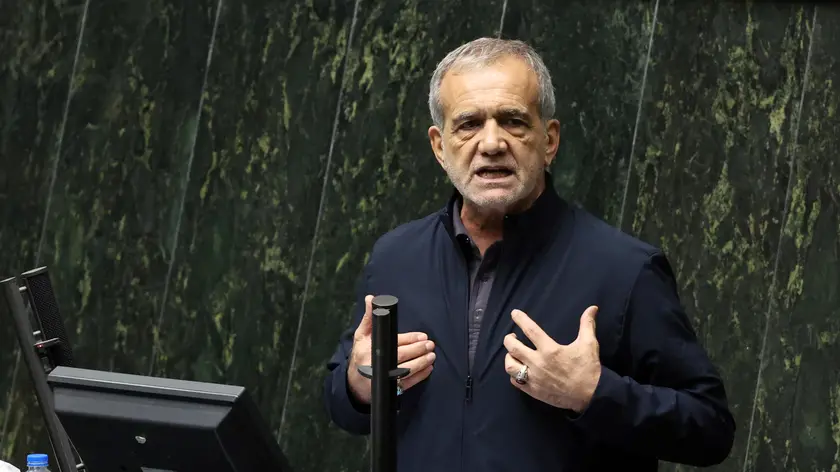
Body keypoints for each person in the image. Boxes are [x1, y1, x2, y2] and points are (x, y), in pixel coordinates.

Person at [323, 37, 735, 471]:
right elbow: (341, 401)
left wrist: (592, 394)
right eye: (468, 124)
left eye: (513, 121)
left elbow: (710, 427)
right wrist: (358, 383)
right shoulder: (395, 258)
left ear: (549, 140)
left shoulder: (624, 270)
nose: (492, 143)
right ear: (440, 147)